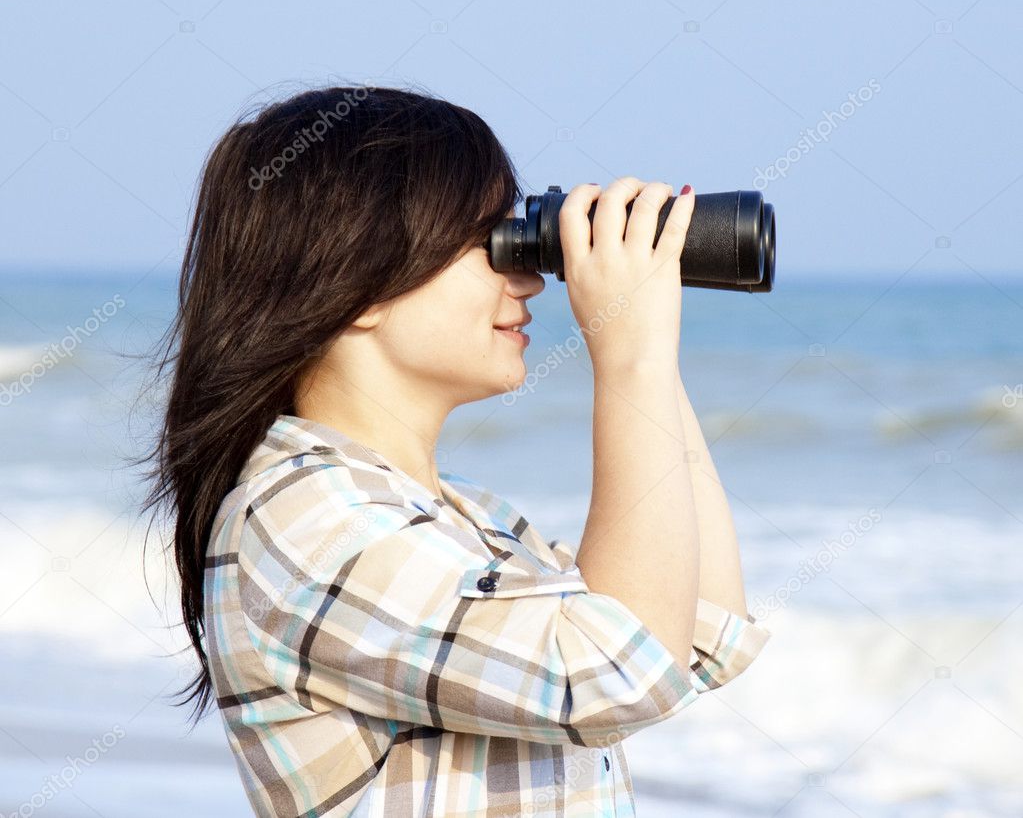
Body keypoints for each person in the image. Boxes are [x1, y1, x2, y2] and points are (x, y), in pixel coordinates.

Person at [140, 82, 772, 817]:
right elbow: (613, 672)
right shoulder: (304, 519)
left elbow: (697, 630)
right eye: (489, 242)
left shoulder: (463, 516)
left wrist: (650, 354)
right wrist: (629, 358)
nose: (530, 277)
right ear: (363, 284)